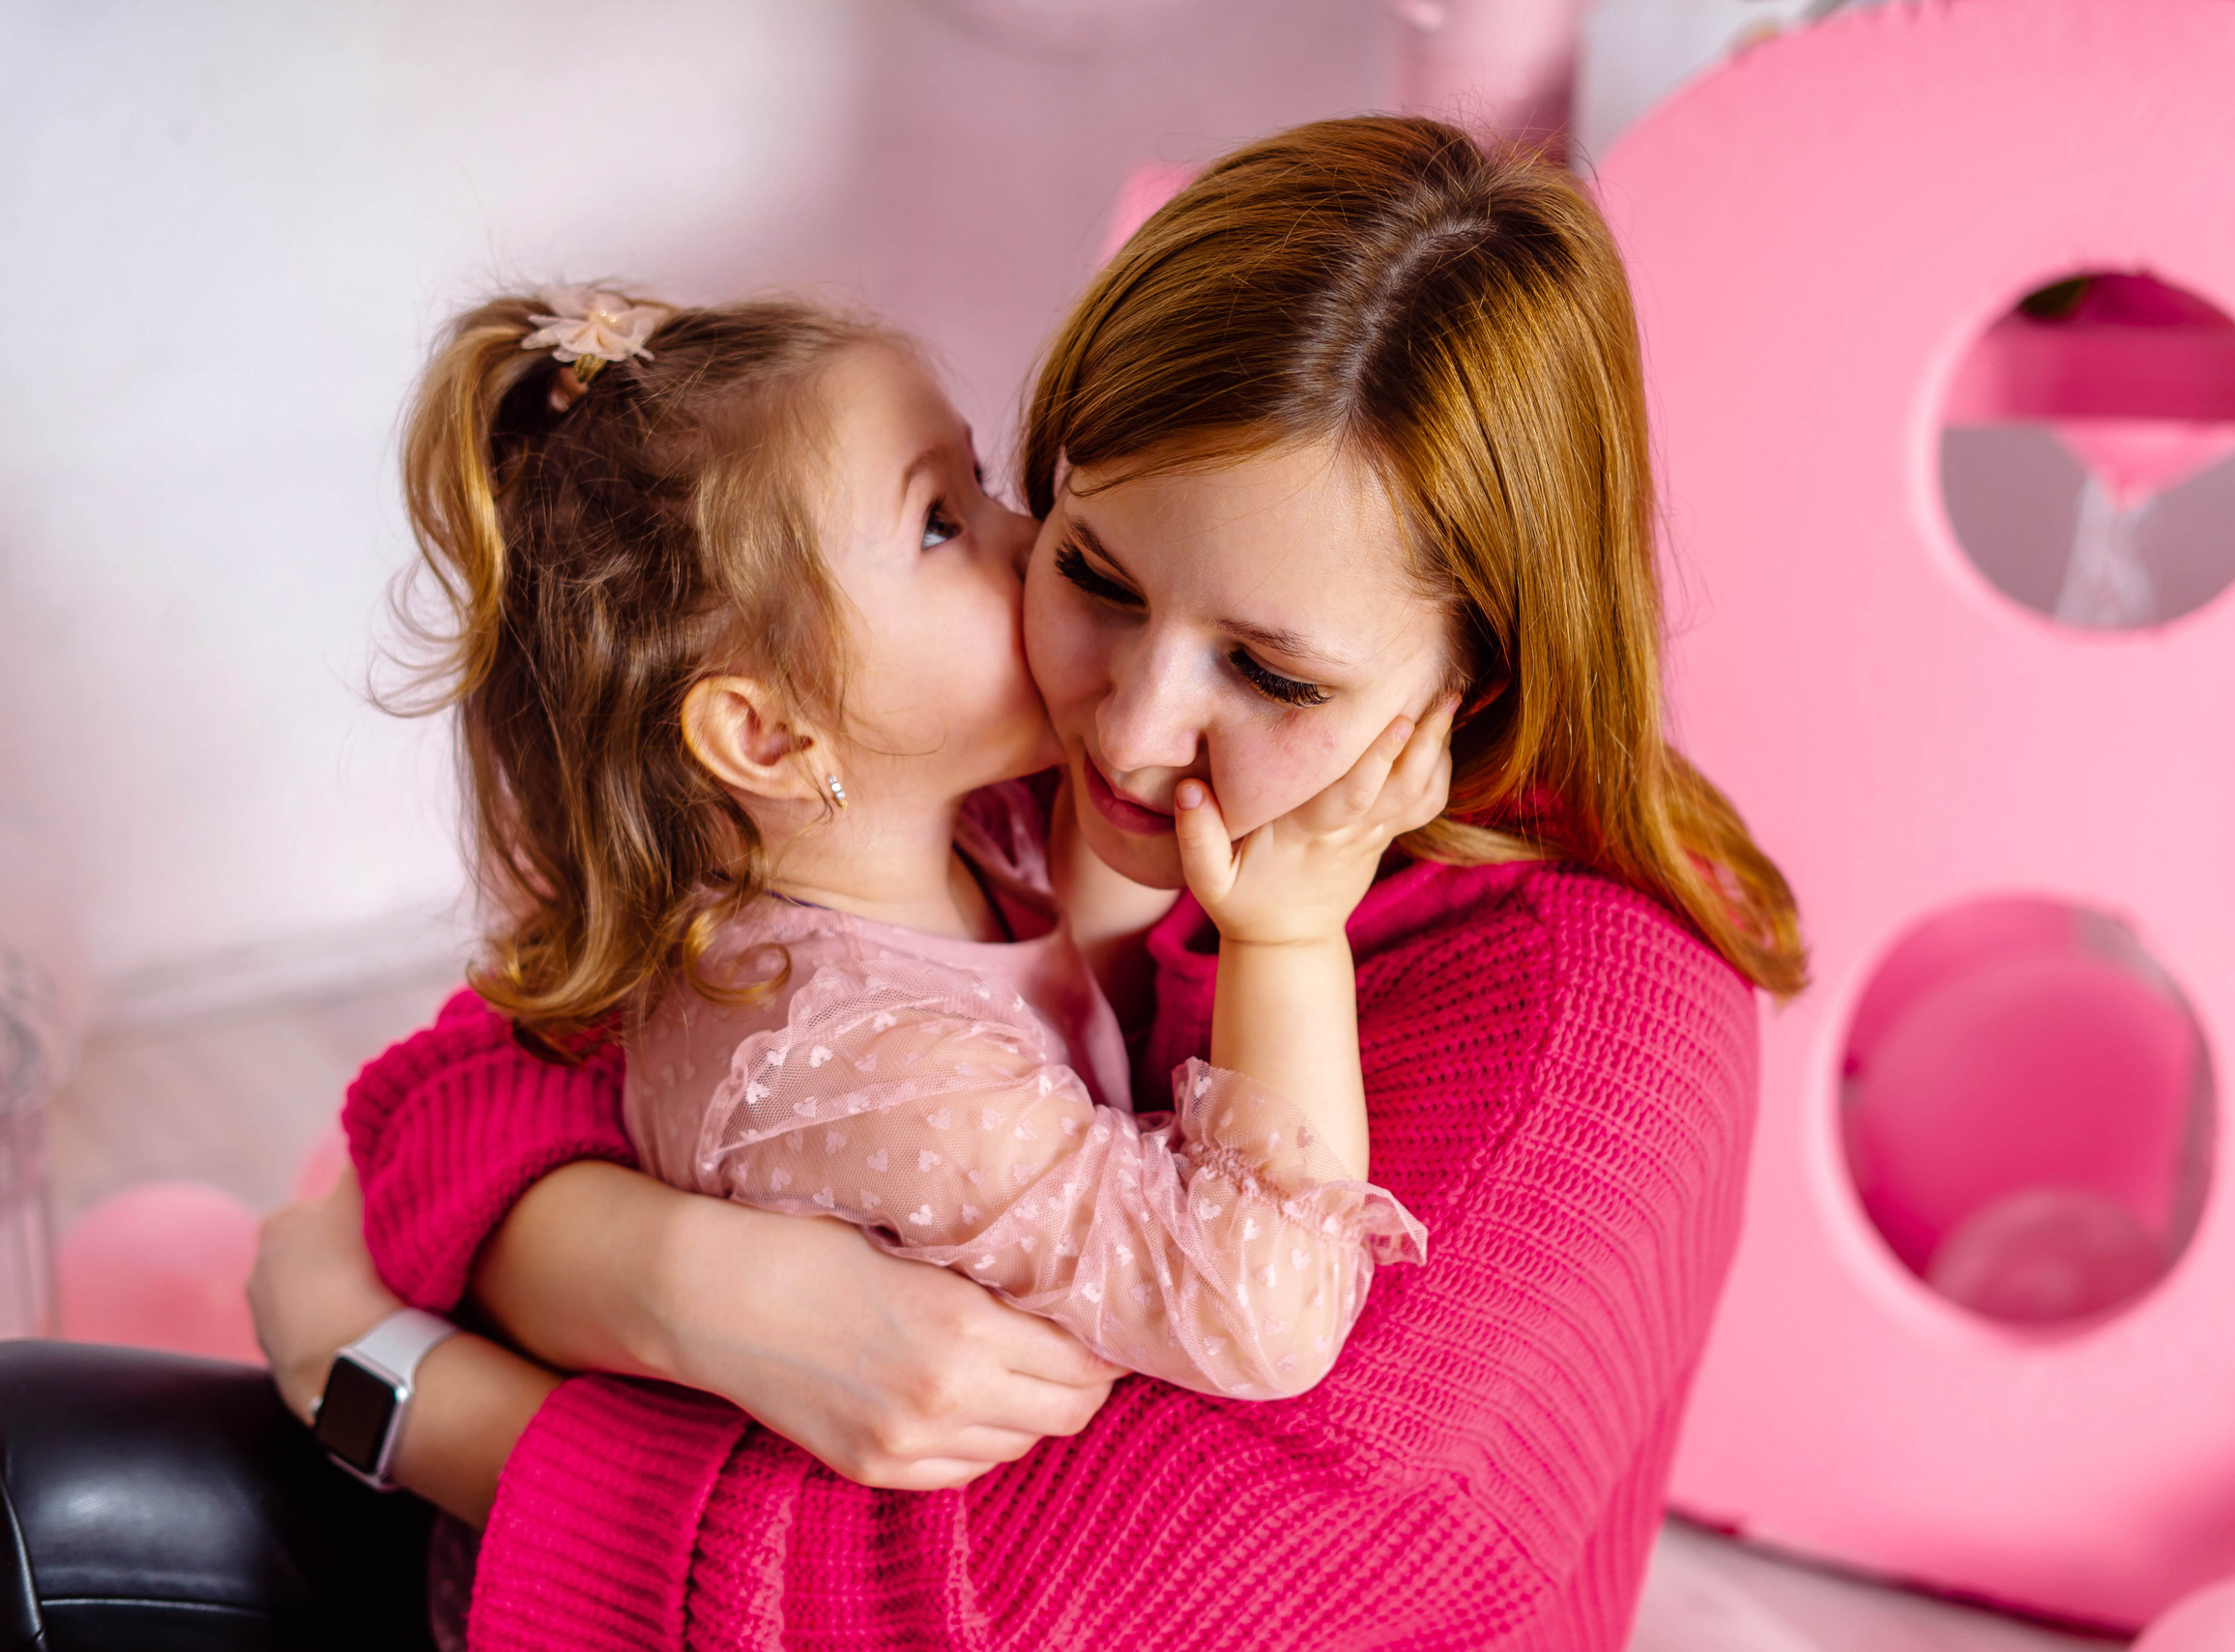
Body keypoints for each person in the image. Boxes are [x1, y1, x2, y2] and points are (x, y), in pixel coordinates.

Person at [233, 111, 1810, 1650]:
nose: (1124, 721)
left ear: (1482, 668)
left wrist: (393, 1379)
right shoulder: (978, 793)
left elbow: (990, 1607)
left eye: (1271, 669)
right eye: (1090, 566)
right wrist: (673, 1276)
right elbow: (469, 1088)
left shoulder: (1590, 1034)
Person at [372, 282, 1444, 1411]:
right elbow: (1259, 1315)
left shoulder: (942, 835)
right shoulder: (884, 1064)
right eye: (941, 522)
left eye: (980, 484)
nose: (1027, 543)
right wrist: (1289, 936)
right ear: (770, 733)